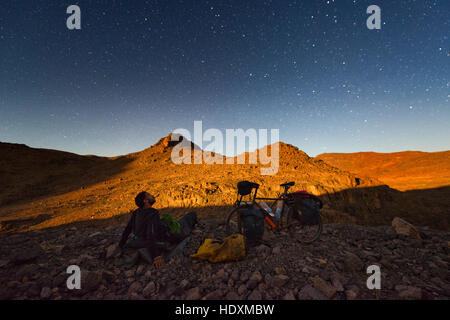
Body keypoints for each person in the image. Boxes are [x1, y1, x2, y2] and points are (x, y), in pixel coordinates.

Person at [118, 191, 197, 267]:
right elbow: (150, 234)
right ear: (145, 201)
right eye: (149, 195)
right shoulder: (152, 213)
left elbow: (128, 229)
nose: (152, 196)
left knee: (179, 220)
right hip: (165, 237)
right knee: (190, 216)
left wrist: (121, 244)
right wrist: (156, 256)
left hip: (142, 239)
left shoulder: (136, 212)